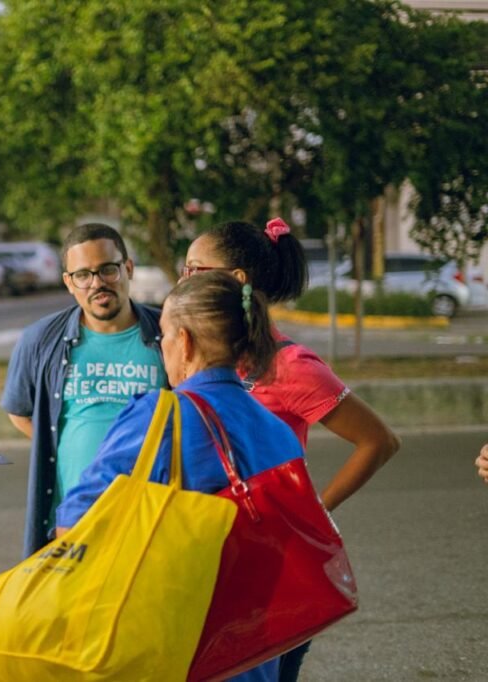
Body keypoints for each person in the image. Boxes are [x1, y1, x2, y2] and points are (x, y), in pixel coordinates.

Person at [56, 271, 303, 682]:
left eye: (165, 336)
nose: (163, 347)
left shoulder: (160, 417)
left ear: (184, 342)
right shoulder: (279, 432)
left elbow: (75, 523)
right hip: (255, 656)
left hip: (167, 651)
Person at [182, 217, 400, 681]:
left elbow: (379, 441)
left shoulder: (290, 365)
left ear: (237, 279)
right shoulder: (190, 356)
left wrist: (314, 510)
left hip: (269, 566)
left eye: (195, 269)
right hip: (205, 555)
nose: (183, 281)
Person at [1, 223, 166, 557]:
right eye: (83, 275)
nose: (97, 283)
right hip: (73, 517)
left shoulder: (168, 334)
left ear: (128, 268)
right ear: (68, 282)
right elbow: (19, 412)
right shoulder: (40, 340)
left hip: (151, 513)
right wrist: (62, 444)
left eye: (108, 269)